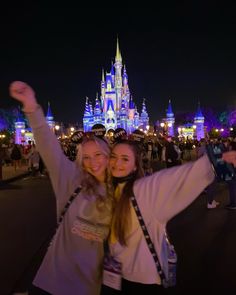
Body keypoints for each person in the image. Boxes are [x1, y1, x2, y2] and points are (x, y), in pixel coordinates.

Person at [9, 81, 114, 295]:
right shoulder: (71, 179)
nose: (93, 162)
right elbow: (49, 146)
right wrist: (32, 107)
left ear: (108, 156)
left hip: (87, 287)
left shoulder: (119, 192)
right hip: (50, 283)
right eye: (86, 157)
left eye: (98, 155)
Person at [101, 139, 216, 294]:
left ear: (135, 166)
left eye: (125, 159)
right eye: (113, 156)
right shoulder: (110, 190)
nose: (116, 163)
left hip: (141, 280)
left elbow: (175, 178)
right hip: (117, 274)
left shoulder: (143, 190)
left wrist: (219, 159)